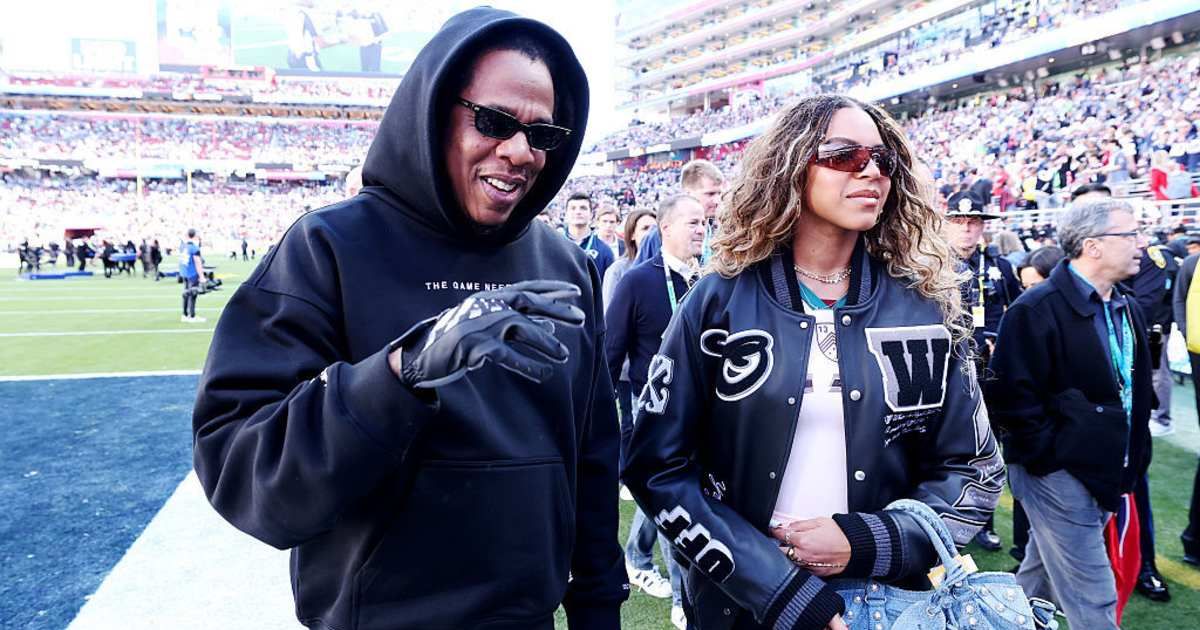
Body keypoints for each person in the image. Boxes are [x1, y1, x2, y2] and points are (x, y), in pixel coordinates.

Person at [192, 8, 627, 629]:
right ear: (432, 109)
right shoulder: (327, 249)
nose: (519, 152)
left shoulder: (563, 262)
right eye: (495, 121)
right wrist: (401, 373)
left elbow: (592, 460)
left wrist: (597, 608)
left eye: (543, 134)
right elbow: (244, 474)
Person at [624, 95, 1003, 630]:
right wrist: (777, 588)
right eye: (845, 155)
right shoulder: (717, 302)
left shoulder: (922, 307)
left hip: (890, 606)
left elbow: (975, 468)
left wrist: (866, 541)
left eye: (883, 158)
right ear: (790, 167)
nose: (871, 171)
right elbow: (656, 466)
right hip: (744, 605)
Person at [987, 199, 1153, 629]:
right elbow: (1013, 398)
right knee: (1094, 598)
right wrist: (1049, 462)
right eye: (1131, 234)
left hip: (1105, 470)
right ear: (1093, 246)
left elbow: (1133, 390)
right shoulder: (1035, 308)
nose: (1141, 243)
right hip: (1057, 476)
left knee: (1037, 581)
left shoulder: (1126, 305)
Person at [606, 195, 706, 629]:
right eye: (692, 222)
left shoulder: (712, 279)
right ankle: (684, 601)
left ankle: (638, 555)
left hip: (708, 413)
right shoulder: (636, 281)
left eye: (704, 222)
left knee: (691, 503)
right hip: (657, 414)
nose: (701, 229)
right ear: (665, 228)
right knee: (674, 501)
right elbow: (611, 350)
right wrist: (600, 417)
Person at [943, 189, 1021, 552]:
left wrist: (997, 338)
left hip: (990, 372)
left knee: (988, 447)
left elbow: (1017, 313)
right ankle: (941, 520)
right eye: (959, 222)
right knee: (948, 446)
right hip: (949, 370)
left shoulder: (1000, 268)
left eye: (973, 222)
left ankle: (981, 522)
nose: (967, 230)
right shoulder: (930, 264)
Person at [602, 208, 658, 446]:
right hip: (626, 369)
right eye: (645, 228)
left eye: (653, 228)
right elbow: (611, 322)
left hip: (649, 370)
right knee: (628, 424)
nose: (650, 233)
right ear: (631, 235)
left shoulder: (662, 271)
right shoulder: (620, 270)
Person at [562, 191, 615, 278]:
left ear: (591, 214)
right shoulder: (555, 246)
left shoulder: (604, 250)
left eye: (583, 208)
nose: (578, 212)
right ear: (566, 214)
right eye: (573, 208)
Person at [179, 229, 206, 323]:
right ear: (194, 236)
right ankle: (192, 316)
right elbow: (198, 263)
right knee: (193, 294)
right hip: (192, 274)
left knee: (186, 294)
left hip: (185, 273)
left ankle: (185, 314)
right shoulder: (194, 248)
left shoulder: (183, 246)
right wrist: (202, 277)